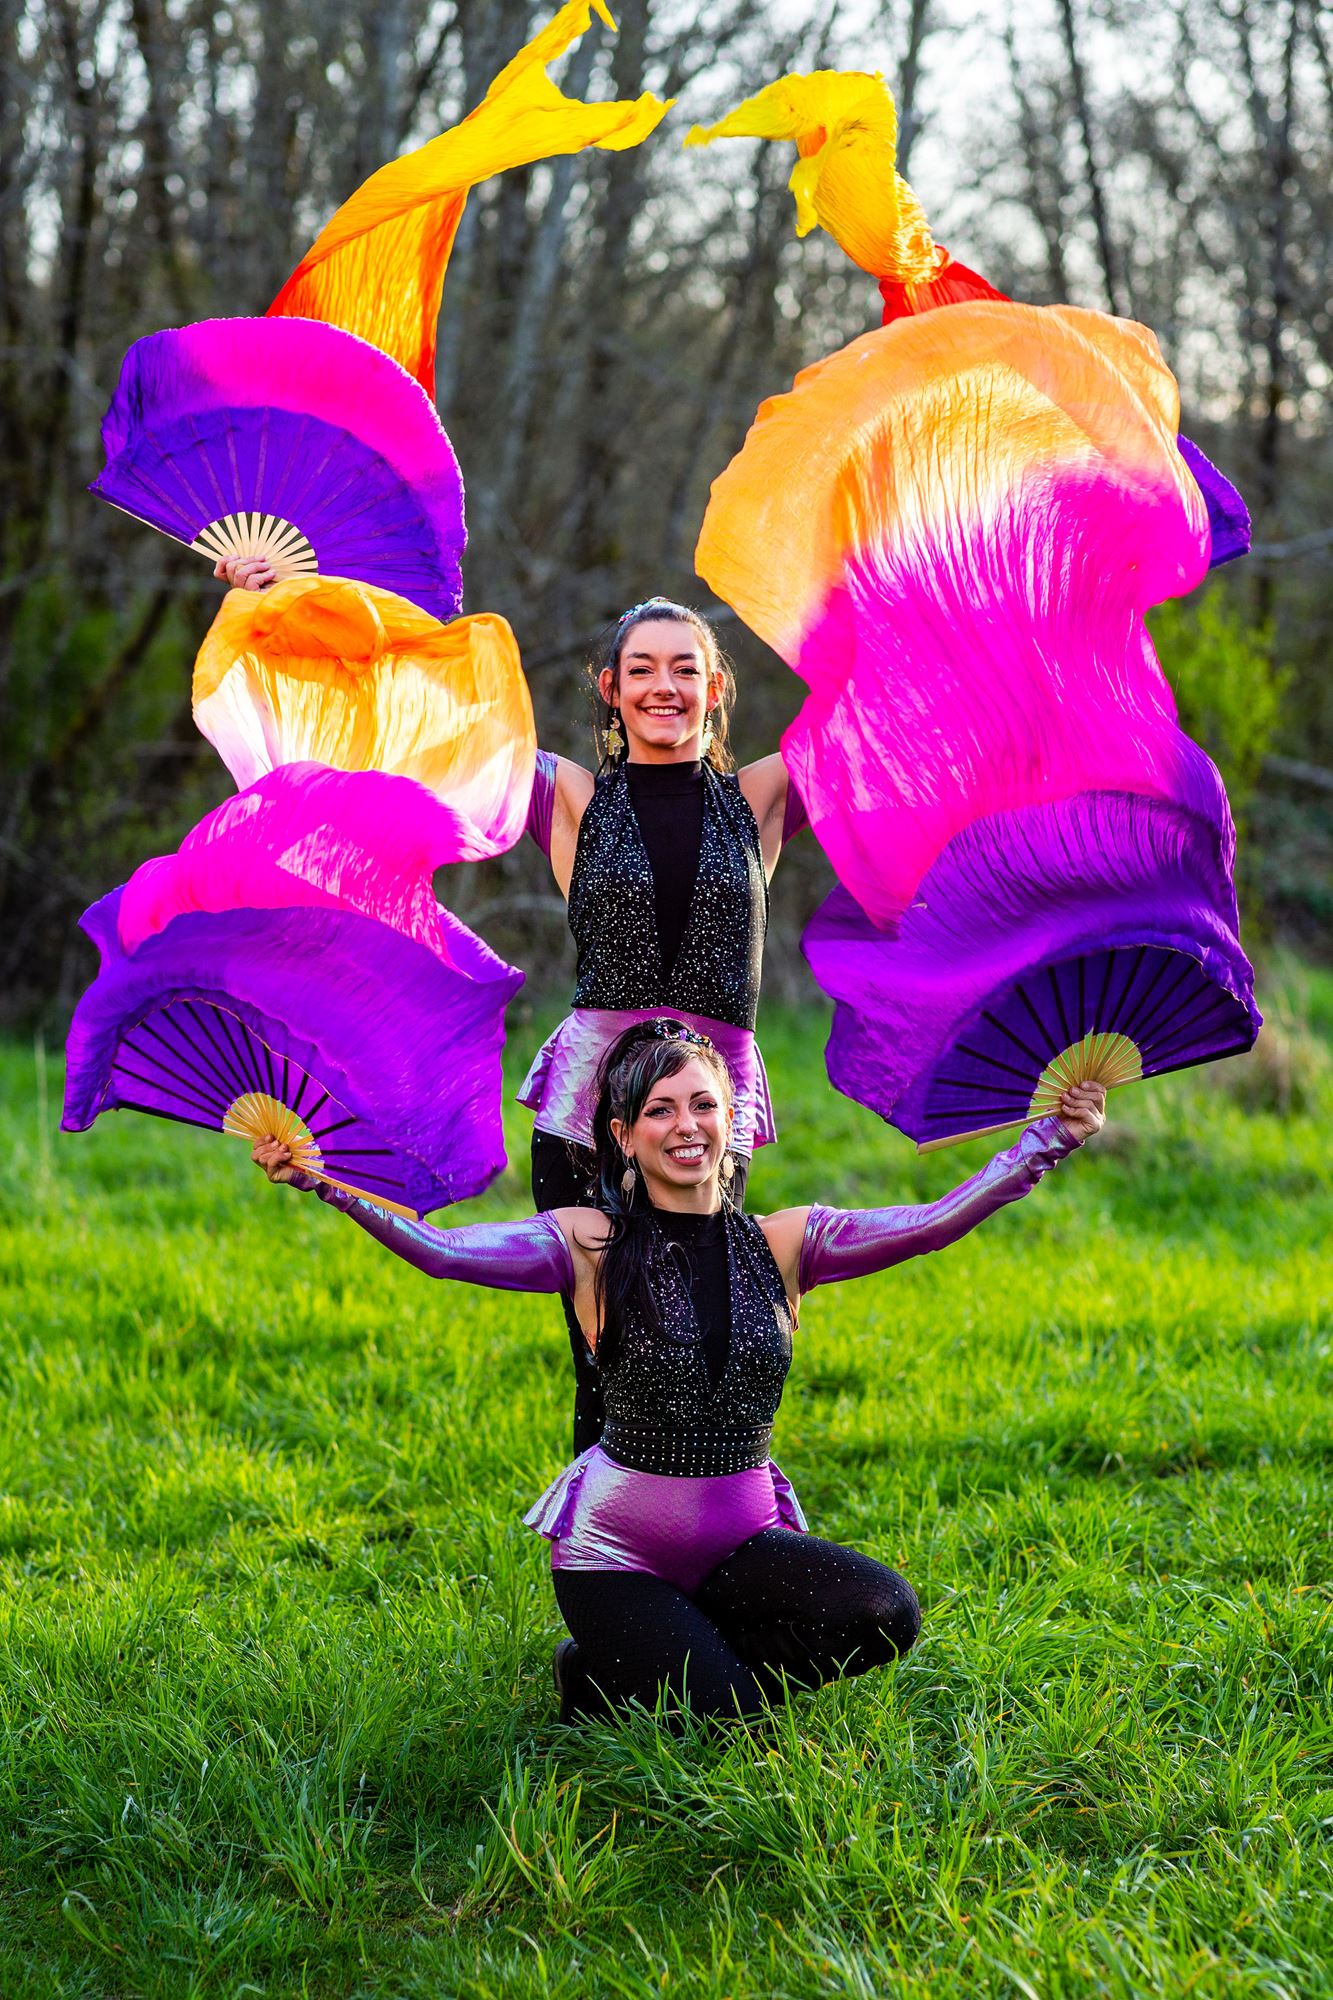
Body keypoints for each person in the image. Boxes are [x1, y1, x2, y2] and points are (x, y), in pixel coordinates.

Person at [251, 1018, 1106, 1726]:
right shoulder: (588, 1240)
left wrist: (1049, 1141)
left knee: (885, 1615)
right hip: (616, 1556)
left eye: (703, 1103)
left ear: (733, 1118)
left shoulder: (785, 1241)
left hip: (742, 1541)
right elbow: (442, 1253)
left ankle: (657, 1662)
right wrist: (329, 1186)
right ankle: (602, 1665)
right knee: (732, 1722)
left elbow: (931, 1222)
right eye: (660, 1110)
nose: (686, 1125)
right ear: (624, 1136)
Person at [216, 555, 803, 1457]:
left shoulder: (761, 796)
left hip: (702, 1116)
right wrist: (281, 602)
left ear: (716, 686)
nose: (663, 686)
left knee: (691, 1333)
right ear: (609, 689)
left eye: (684, 668)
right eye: (641, 669)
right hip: (588, 1110)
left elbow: (883, 721)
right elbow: (414, 712)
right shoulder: (567, 796)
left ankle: (697, 1525)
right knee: (607, 1343)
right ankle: (601, 1543)